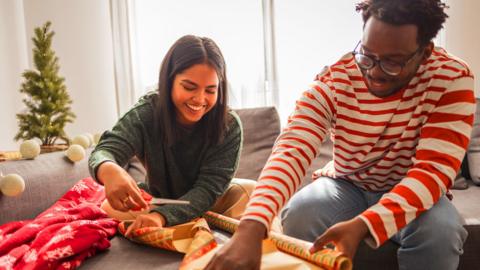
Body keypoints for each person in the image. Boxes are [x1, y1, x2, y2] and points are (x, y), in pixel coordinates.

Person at [206, 1, 475, 270]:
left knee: (441, 231)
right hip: (348, 184)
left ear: (425, 52)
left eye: (392, 63)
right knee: (301, 212)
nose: (374, 72)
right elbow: (292, 148)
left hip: (411, 187)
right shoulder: (335, 80)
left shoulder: (451, 78)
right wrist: (252, 226)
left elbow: (432, 172)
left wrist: (365, 224)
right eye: (367, 55)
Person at [88, 35, 252, 236]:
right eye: (189, 87)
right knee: (107, 208)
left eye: (210, 90)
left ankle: (179, 224)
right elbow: (106, 149)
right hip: (160, 199)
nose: (200, 99)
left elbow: (207, 190)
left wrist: (161, 217)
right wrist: (110, 170)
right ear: (169, 81)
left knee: (251, 193)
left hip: (213, 202)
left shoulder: (229, 124)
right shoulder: (146, 112)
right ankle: (186, 225)